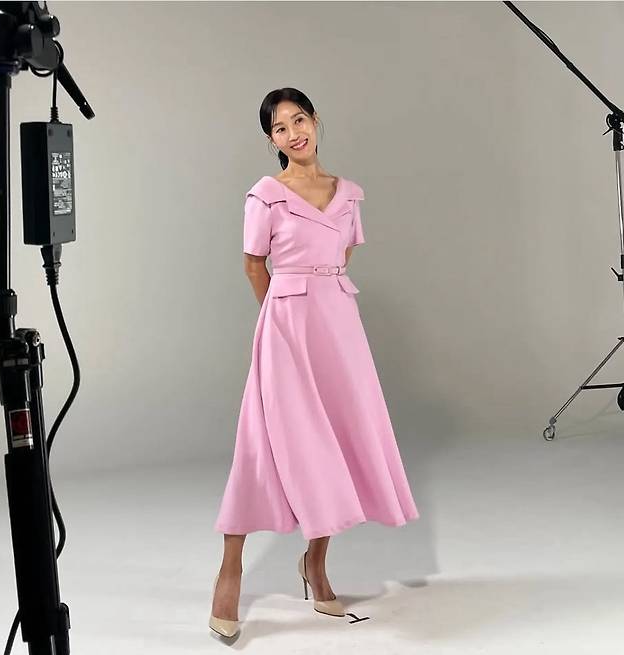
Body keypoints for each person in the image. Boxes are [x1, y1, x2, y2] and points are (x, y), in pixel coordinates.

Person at [209, 87, 419, 639]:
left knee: (336, 440)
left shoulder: (347, 194)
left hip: (339, 325)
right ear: (272, 140)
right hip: (285, 323)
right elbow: (254, 264)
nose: (293, 133)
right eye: (280, 128)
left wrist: (321, 300)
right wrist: (280, 317)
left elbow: (342, 256)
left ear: (315, 121)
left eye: (299, 120)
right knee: (264, 441)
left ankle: (316, 562)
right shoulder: (265, 196)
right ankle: (230, 569)